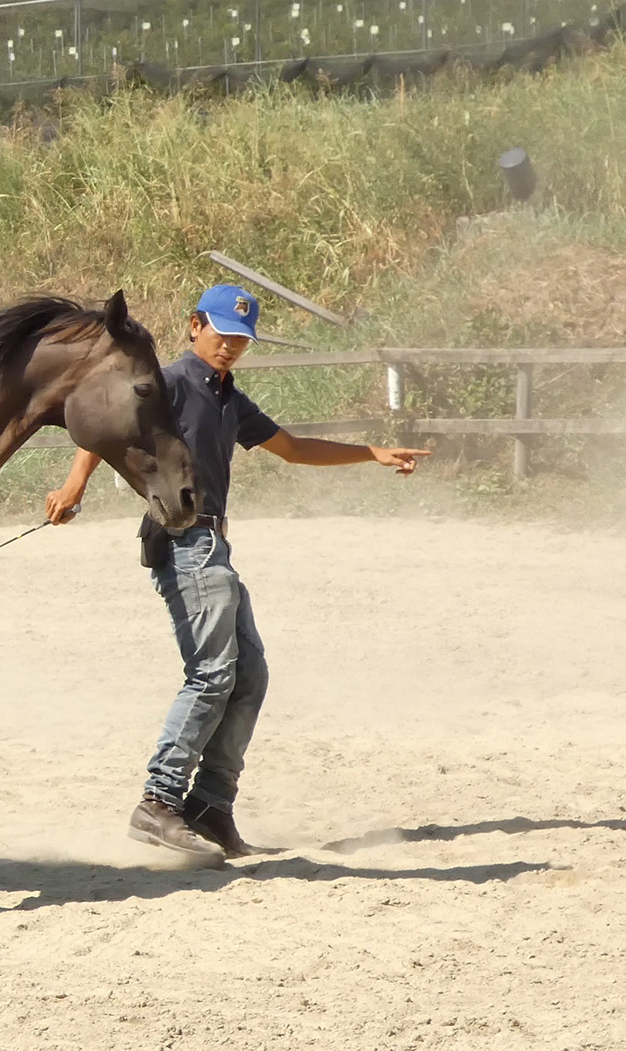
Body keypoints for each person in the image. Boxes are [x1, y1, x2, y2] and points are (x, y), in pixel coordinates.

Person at [44, 285, 429, 861]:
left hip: (214, 543)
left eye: (240, 340)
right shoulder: (169, 382)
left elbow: (293, 449)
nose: (230, 347)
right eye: (221, 333)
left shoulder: (228, 397)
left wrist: (369, 452)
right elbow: (106, 423)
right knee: (212, 671)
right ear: (194, 325)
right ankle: (159, 801)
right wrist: (75, 484)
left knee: (249, 675)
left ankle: (210, 806)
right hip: (183, 539)